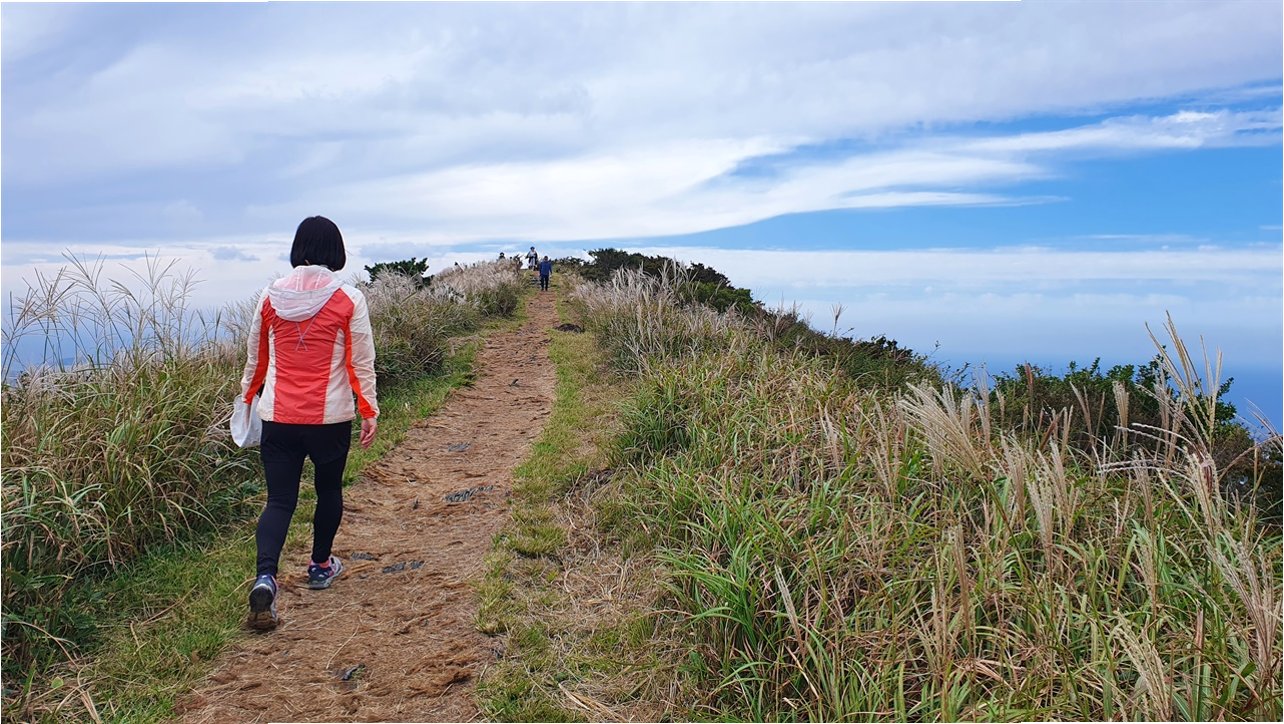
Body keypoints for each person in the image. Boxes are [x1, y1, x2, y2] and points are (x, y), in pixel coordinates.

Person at [239, 215, 379, 631]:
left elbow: (256, 359)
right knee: (328, 490)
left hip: (278, 416)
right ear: (336, 251)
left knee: (279, 501)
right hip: (329, 417)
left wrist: (247, 398)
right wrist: (368, 409)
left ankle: (266, 577)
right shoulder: (349, 298)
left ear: (297, 248)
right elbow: (360, 362)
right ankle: (320, 565)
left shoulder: (270, 296)